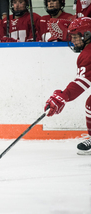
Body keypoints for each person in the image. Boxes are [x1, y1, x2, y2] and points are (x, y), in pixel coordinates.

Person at [44, 17, 91, 155]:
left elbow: (82, 83)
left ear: (87, 35)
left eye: (76, 37)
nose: (73, 41)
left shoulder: (87, 55)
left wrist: (62, 97)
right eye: (72, 37)